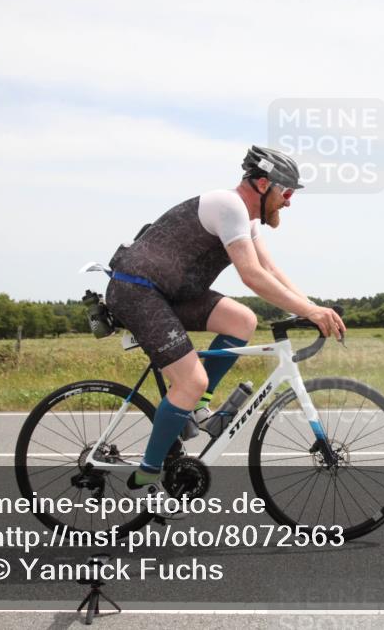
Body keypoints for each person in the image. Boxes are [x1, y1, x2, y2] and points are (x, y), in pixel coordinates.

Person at [105, 146, 346, 505]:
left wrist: (312, 307)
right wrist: (311, 313)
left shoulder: (245, 218)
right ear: (264, 184)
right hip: (136, 289)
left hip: (170, 292)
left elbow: (270, 271)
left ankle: (195, 407)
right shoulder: (230, 206)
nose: (289, 203)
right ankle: (149, 472)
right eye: (288, 193)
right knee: (192, 379)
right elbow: (251, 277)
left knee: (243, 320)